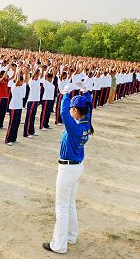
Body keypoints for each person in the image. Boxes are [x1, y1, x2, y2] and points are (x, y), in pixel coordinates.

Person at [43, 83, 93, 254]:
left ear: (76, 111)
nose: (70, 110)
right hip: (77, 167)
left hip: (68, 169)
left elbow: (63, 113)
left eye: (73, 108)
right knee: (69, 204)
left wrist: (65, 94)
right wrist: (86, 92)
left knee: (62, 207)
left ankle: (59, 244)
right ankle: (71, 236)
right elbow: (88, 105)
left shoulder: (75, 126)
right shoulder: (86, 121)